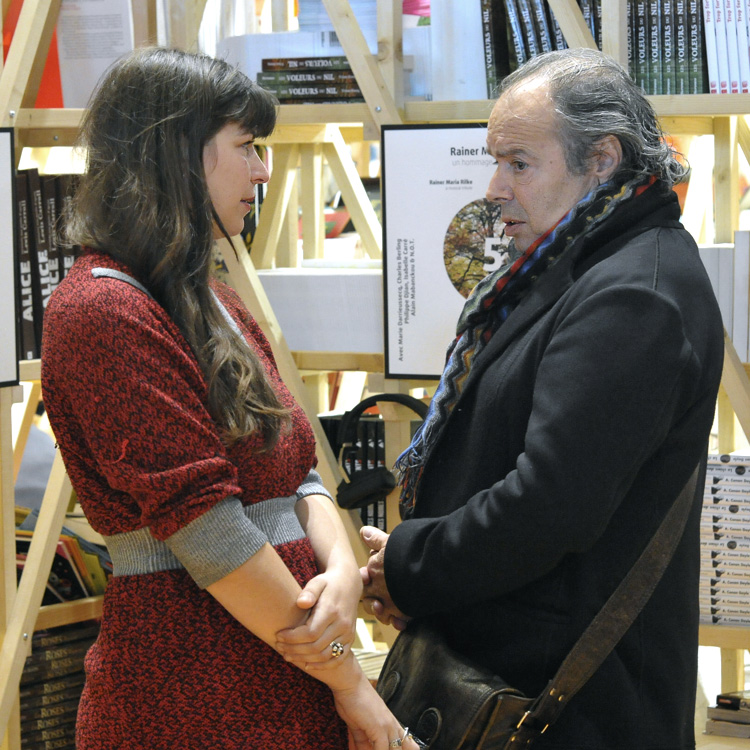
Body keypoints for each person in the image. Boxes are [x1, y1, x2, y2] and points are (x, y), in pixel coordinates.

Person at [41, 47, 417, 750]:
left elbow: (299, 469)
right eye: (246, 146)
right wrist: (350, 682)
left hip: (283, 675)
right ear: (176, 152)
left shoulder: (208, 296)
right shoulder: (102, 312)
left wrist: (338, 574)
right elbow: (210, 534)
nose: (262, 169)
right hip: (190, 692)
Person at [360, 48, 724, 749]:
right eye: (495, 161)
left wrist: (410, 567)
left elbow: (547, 506)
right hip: (521, 685)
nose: (495, 187)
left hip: (576, 711)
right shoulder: (584, 264)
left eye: (518, 164)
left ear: (603, 161)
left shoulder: (633, 295)